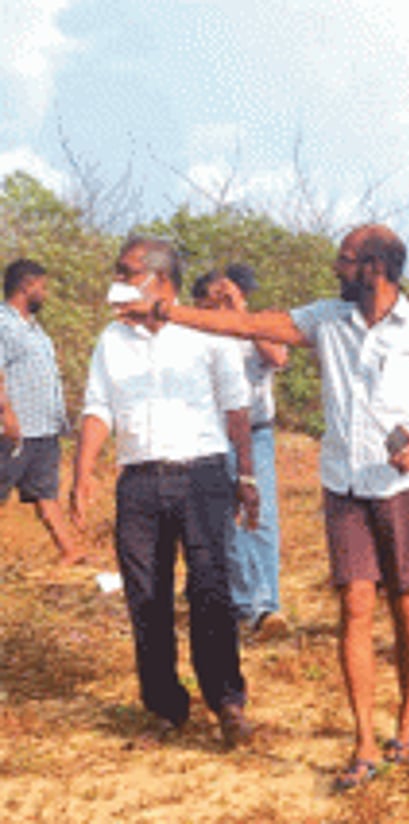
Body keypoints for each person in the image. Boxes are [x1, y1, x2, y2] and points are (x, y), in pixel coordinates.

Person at [118, 225, 409, 791]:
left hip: (405, 487)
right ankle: (362, 739)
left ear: (375, 267)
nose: (336, 266)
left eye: (346, 259)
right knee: (355, 607)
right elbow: (246, 324)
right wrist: (166, 311)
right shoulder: (326, 319)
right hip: (345, 486)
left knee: (407, 607)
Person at [71, 236, 259, 748]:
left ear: (160, 281)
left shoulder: (204, 333)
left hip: (201, 474)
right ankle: (166, 708)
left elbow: (236, 409)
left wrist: (247, 476)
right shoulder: (112, 340)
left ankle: (226, 700)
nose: (119, 281)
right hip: (139, 482)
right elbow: (98, 407)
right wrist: (83, 472)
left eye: (127, 272)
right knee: (146, 597)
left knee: (209, 588)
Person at [192, 265, 289, 640]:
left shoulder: (257, 325)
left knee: (260, 517)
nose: (229, 302)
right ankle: (247, 602)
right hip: (213, 434)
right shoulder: (197, 332)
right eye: (218, 298)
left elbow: (277, 358)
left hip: (256, 432)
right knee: (221, 521)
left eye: (234, 295)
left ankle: (267, 605)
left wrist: (240, 314)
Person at [0, 258, 85, 565]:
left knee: (45, 493)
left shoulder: (35, 330)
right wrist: (6, 415)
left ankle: (70, 551)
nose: (45, 293)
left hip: (43, 428)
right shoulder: (3, 323)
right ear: (26, 285)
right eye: (42, 287)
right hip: (14, 430)